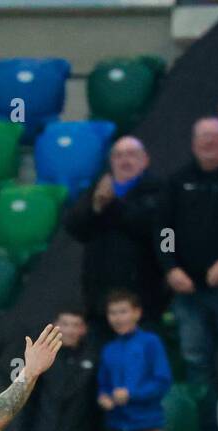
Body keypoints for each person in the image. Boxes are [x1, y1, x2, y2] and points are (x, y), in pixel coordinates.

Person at [158, 117, 218, 410]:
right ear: (193, 143)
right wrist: (170, 268)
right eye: (203, 138)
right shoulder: (177, 181)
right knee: (195, 357)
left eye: (215, 137)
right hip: (188, 291)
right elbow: (164, 231)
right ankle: (207, 427)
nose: (209, 143)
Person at [62, 136, 166, 332]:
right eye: (118, 156)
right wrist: (95, 206)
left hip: (141, 295)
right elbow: (74, 227)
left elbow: (148, 226)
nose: (124, 160)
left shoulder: (158, 189)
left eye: (131, 155)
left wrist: (112, 204)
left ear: (145, 160)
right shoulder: (98, 188)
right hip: (99, 297)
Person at [97, 289, 173, 431]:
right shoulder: (108, 349)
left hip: (146, 427)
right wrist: (103, 397)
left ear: (136, 313)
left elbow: (162, 381)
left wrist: (132, 394)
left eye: (123, 312)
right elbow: (102, 384)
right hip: (116, 428)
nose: (118, 318)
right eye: (113, 313)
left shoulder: (150, 342)